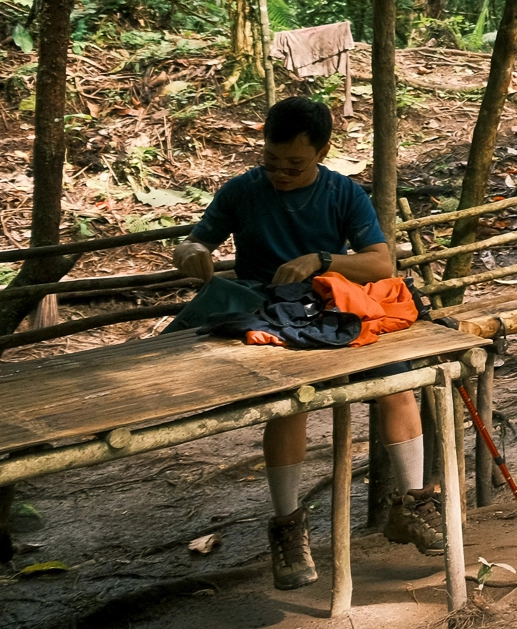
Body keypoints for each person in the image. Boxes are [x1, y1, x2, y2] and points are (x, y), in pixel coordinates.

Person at [171, 98, 445, 591]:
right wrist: (190, 252)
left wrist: (322, 260)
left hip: (330, 310)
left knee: (399, 385)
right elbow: (196, 242)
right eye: (271, 162)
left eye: (294, 164)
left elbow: (381, 265)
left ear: (322, 152)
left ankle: (415, 503)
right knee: (288, 406)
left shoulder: (343, 194)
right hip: (269, 315)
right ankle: (289, 528)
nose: (280, 172)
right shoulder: (240, 192)